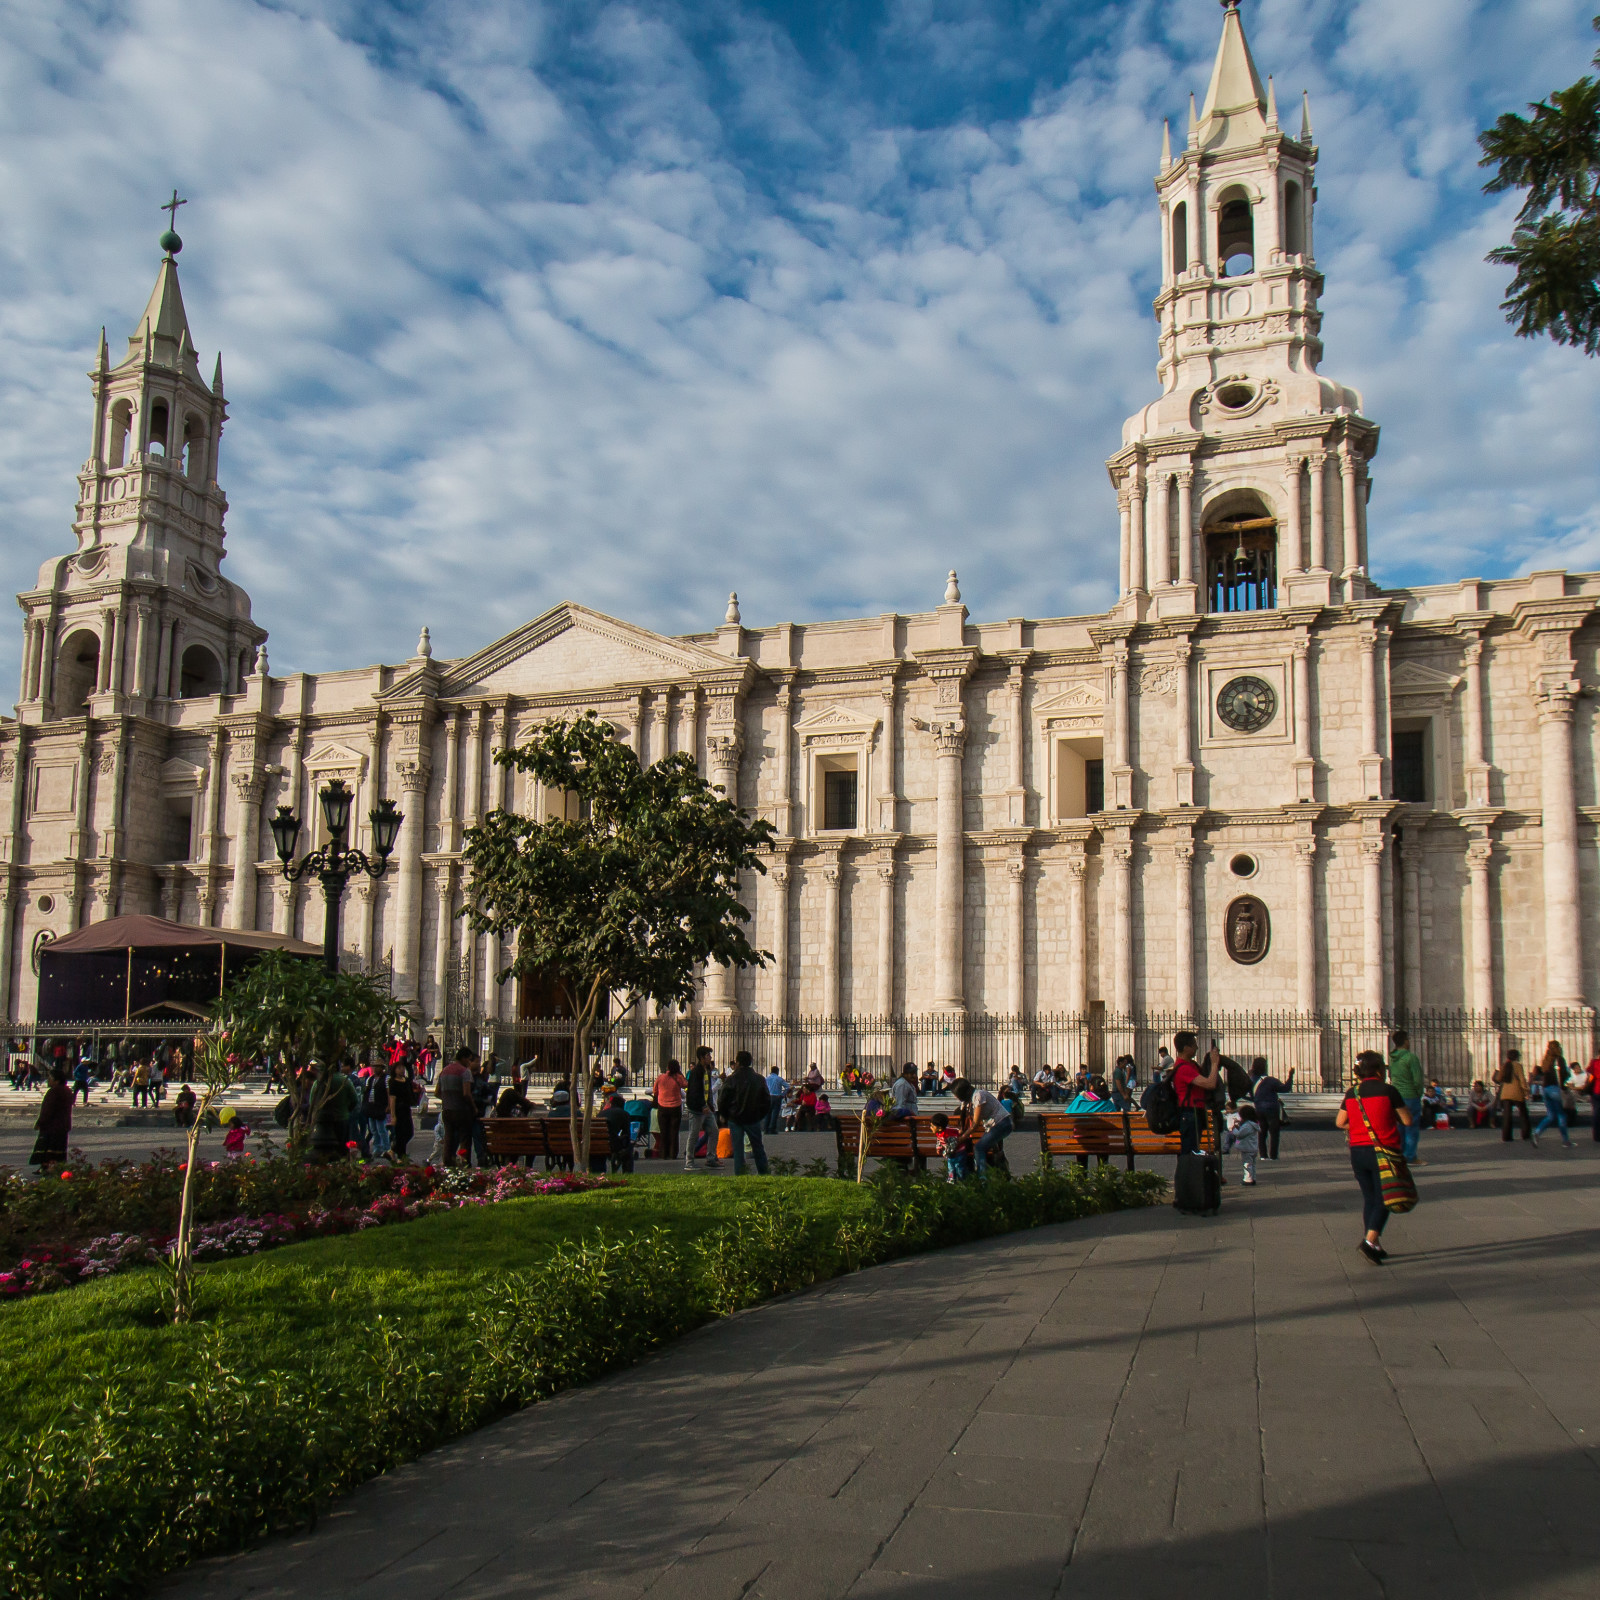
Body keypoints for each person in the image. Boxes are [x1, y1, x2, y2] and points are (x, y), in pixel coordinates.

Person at [1335, 1050, 1414, 1265]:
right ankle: (1369, 1242)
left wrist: (1359, 1127)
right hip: (1383, 1151)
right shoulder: (1389, 1091)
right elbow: (1407, 1121)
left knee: (1370, 1198)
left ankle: (1375, 1243)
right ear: (1379, 1070)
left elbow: (1340, 1122)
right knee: (1386, 1197)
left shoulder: (1353, 1093)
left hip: (1358, 1152)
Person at [721, 1050, 771, 1176]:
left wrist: (725, 1115)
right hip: (753, 1118)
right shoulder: (759, 1079)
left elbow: (723, 1099)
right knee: (758, 1148)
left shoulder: (731, 1079)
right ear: (750, 1062)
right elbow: (766, 1100)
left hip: (735, 1119)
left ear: (737, 1062)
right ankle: (764, 1173)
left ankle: (740, 1175)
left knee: (738, 1150)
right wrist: (759, 1115)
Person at [1171, 1033, 1220, 1156]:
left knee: (1194, 1150)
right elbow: (1210, 1084)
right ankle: (1186, 1174)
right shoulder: (1183, 1068)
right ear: (1186, 1048)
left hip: (1196, 1111)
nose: (1197, 1048)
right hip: (1189, 1112)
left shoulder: (1191, 1065)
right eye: (1194, 1045)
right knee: (1189, 1152)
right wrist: (1215, 1063)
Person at [952, 1078, 1011, 1176]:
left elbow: (975, 1124)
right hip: (993, 1126)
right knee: (990, 1148)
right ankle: (998, 1173)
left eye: (955, 1094)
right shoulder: (968, 1100)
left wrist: (962, 1138)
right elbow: (964, 1117)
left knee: (979, 1148)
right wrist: (962, 1132)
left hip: (1001, 1123)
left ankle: (983, 1177)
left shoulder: (979, 1095)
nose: (955, 1097)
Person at [436, 1046, 479, 1167]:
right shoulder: (465, 1072)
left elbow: (437, 1092)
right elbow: (466, 1093)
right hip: (461, 1110)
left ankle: (448, 1161)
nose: (469, 1063)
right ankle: (464, 1162)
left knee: (448, 1137)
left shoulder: (444, 1071)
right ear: (464, 1058)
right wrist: (473, 1107)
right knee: (464, 1138)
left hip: (447, 1109)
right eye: (469, 1060)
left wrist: (447, 1099)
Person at [1387, 1030, 1425, 1164]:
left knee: (1400, 1127)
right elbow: (1417, 1079)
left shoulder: (1392, 1057)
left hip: (1397, 1096)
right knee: (1412, 1128)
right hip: (1410, 1095)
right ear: (1405, 1041)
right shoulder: (1410, 1057)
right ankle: (1410, 1156)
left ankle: (1399, 1154)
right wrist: (1418, 1093)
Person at [682, 1047, 720, 1171]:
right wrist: (702, 1105)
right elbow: (694, 1091)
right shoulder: (696, 1072)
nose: (710, 1057)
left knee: (714, 1131)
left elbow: (707, 1089)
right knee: (693, 1134)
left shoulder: (706, 1070)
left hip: (705, 1107)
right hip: (697, 1108)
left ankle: (711, 1158)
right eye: (708, 1055)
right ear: (702, 1057)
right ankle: (689, 1161)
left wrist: (709, 1104)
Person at [1531, 1041, 1573, 1150]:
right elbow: (1563, 1075)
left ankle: (1537, 1132)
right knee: (1561, 1115)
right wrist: (1565, 1085)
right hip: (1555, 1088)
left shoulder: (1546, 1060)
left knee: (1550, 1115)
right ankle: (1565, 1141)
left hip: (1545, 1089)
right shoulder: (1559, 1059)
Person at [1248, 1058, 1293, 1159]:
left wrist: (1255, 1100)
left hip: (1259, 1109)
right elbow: (1285, 1088)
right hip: (1272, 1109)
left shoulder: (1252, 1080)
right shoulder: (1271, 1080)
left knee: (1262, 1133)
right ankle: (1273, 1155)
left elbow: (1249, 1095)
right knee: (1274, 1133)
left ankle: (1263, 1155)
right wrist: (1291, 1076)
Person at [31, 1067, 72, 1169]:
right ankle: (56, 1167)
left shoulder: (53, 1092)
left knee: (48, 1147)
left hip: (51, 1126)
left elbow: (47, 1110)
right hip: (63, 1125)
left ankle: (46, 1167)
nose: (48, 1081)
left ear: (56, 1081)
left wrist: (40, 1122)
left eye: (50, 1078)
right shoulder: (67, 1091)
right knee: (58, 1147)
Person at [1494, 1050, 1531, 1142]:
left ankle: (1506, 1136)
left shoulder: (1504, 1065)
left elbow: (1498, 1078)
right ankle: (1525, 1134)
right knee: (1523, 1113)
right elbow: (1522, 1080)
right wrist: (1526, 1091)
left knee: (1507, 1115)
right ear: (1516, 1056)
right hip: (1516, 1091)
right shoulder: (1518, 1065)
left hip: (1505, 1093)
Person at [654, 1059, 685, 1159]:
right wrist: (680, 1074)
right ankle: (673, 1153)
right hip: (675, 1106)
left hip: (662, 1106)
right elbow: (686, 1084)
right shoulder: (678, 1077)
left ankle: (663, 1153)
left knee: (663, 1131)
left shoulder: (660, 1078)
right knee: (674, 1132)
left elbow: (655, 1090)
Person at [928, 1112, 973, 1181]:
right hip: (951, 1154)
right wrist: (939, 1148)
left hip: (958, 1152)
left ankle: (962, 1180)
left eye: (932, 1126)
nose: (930, 1128)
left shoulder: (948, 1134)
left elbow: (953, 1145)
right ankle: (951, 1180)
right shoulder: (939, 1133)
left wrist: (946, 1152)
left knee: (959, 1167)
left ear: (939, 1128)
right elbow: (939, 1141)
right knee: (951, 1167)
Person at [1223, 1102, 1260, 1185]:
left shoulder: (1247, 1125)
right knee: (1252, 1164)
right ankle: (1253, 1178)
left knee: (1247, 1164)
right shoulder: (1253, 1124)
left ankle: (1248, 1179)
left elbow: (1240, 1135)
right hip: (1253, 1147)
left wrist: (1234, 1129)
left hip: (1247, 1148)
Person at [388, 1063, 418, 1160]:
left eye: (403, 1068)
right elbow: (392, 1099)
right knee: (400, 1133)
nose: (402, 1070)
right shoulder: (393, 1082)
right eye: (399, 1068)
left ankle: (393, 1151)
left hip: (406, 1109)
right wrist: (393, 1115)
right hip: (398, 1109)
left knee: (409, 1132)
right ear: (394, 1070)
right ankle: (401, 1156)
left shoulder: (407, 1081)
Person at [764, 1064, 787, 1135]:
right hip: (777, 1097)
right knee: (775, 1113)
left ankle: (766, 1129)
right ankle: (772, 1129)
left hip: (768, 1097)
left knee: (767, 1113)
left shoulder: (766, 1079)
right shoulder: (779, 1079)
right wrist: (783, 1094)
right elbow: (787, 1087)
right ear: (777, 1071)